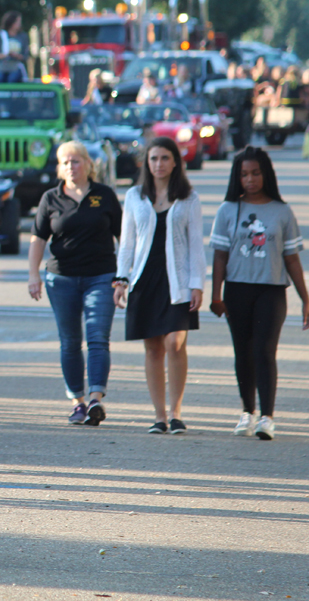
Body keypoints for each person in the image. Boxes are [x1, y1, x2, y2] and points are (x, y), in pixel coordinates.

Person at [209, 146, 309, 441]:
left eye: (255, 173)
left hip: (271, 290)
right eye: (244, 174)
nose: (250, 179)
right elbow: (219, 257)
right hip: (237, 289)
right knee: (243, 352)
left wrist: (306, 299)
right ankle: (247, 412)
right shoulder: (227, 210)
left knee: (264, 351)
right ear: (237, 177)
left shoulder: (282, 211)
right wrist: (216, 295)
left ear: (266, 174)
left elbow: (292, 258)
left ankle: (267, 417)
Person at [114, 137, 205, 434]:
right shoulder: (134, 196)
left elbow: (195, 246)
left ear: (175, 161)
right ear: (146, 162)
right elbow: (126, 243)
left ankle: (176, 412)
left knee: (174, 342)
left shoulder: (189, 197)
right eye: (153, 159)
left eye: (165, 158)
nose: (159, 164)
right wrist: (121, 279)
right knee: (153, 348)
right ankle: (159, 416)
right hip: (144, 279)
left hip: (177, 281)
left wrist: (197, 285)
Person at [28, 141, 122, 426]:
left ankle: (95, 399)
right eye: (65, 162)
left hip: (102, 276)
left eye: (76, 161)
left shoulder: (104, 196)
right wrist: (33, 275)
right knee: (70, 342)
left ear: (88, 164)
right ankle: (77, 402)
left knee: (97, 338)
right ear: (60, 166)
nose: (71, 166)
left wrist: (125, 276)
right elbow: (38, 239)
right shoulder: (50, 198)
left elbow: (125, 238)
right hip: (62, 278)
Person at [0, 11, 28, 83]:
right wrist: (5, 55)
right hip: (1, 66)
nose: (19, 24)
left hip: (15, 66)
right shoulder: (0, 35)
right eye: (18, 22)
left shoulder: (22, 36)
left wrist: (16, 55)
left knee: (12, 79)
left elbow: (25, 56)